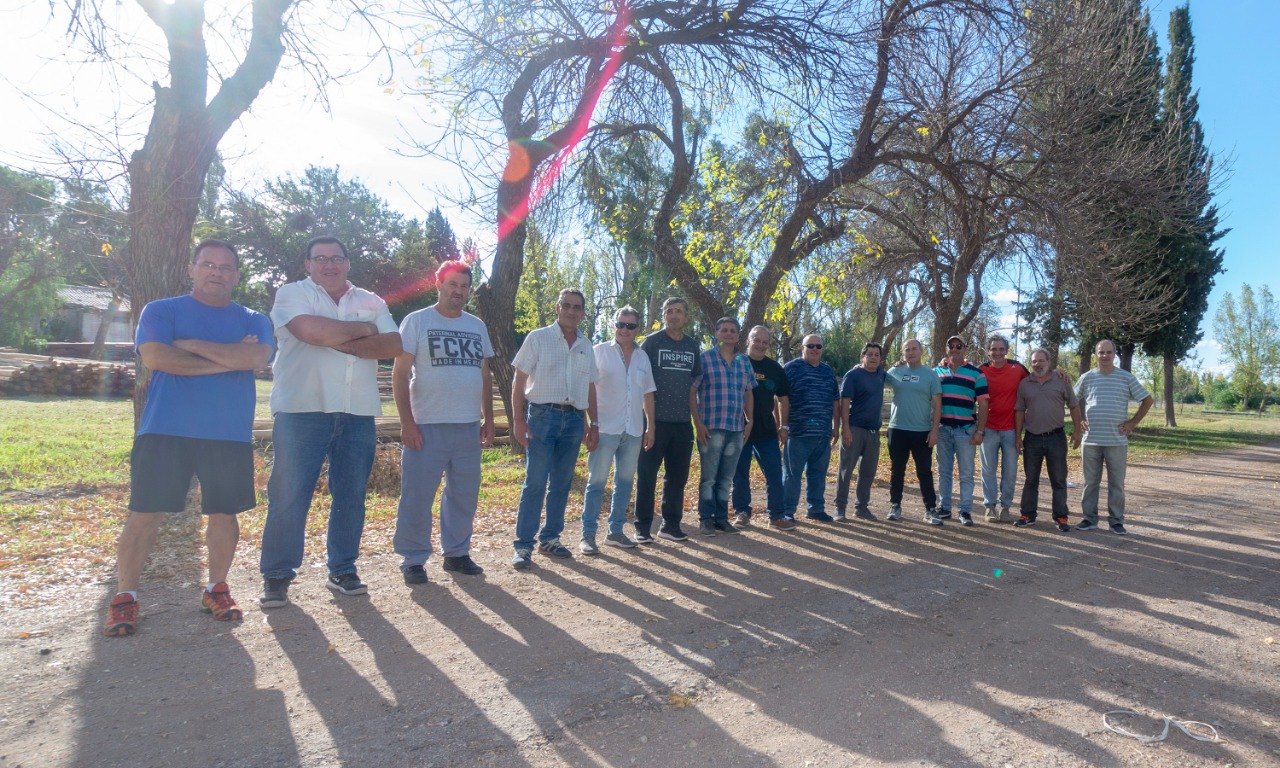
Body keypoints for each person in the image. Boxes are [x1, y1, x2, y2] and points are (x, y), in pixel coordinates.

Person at [104, 240, 275, 637]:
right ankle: (125, 597)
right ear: (191, 269)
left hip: (227, 432)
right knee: (145, 513)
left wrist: (190, 345)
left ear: (236, 275)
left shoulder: (253, 319)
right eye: (208, 264)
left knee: (224, 513)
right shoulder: (161, 310)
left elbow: (256, 358)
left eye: (226, 267)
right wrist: (228, 358)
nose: (217, 272)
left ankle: (216, 589)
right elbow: (157, 358)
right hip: (165, 428)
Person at [259, 236, 402, 607]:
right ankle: (277, 575)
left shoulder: (371, 300)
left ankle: (342, 569)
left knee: (351, 496)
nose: (329, 264)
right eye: (320, 258)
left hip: (358, 411)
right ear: (308, 264)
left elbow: (392, 346)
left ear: (348, 263)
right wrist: (366, 330)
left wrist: (337, 338)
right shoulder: (292, 294)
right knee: (290, 495)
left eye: (337, 258)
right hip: (301, 409)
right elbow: (310, 333)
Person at [392, 260, 495, 584]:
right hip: (426, 425)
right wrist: (407, 423)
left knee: (463, 495)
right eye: (453, 284)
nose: (459, 291)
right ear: (438, 284)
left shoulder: (477, 326)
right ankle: (413, 558)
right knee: (417, 496)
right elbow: (400, 373)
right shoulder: (417, 321)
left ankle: (457, 553)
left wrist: (488, 419)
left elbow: (485, 374)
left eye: (464, 286)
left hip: (467, 426)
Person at [509, 288, 599, 569]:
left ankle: (550, 538)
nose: (571, 311)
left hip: (574, 421)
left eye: (577, 307)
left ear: (583, 313)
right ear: (557, 308)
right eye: (566, 305)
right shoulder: (538, 338)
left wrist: (593, 424)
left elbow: (590, 386)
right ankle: (524, 545)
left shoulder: (586, 345)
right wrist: (518, 420)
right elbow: (519, 380)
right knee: (535, 482)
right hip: (542, 417)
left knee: (561, 483)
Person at [579, 306, 656, 553]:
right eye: (620, 324)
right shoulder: (599, 352)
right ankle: (587, 535)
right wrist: (589, 424)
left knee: (624, 483)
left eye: (630, 326)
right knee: (596, 483)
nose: (625, 329)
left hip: (633, 430)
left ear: (637, 329)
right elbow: (586, 388)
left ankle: (615, 532)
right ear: (614, 325)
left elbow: (648, 394)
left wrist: (650, 427)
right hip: (604, 428)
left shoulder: (642, 357)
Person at [634, 297, 703, 543]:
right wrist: (648, 424)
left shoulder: (692, 346)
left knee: (677, 477)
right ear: (663, 315)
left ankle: (670, 525)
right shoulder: (651, 343)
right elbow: (640, 382)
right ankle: (642, 527)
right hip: (653, 422)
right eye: (669, 311)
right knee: (647, 476)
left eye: (678, 311)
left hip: (682, 423)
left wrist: (697, 421)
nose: (673, 315)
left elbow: (694, 385)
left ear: (686, 317)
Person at [1073, 339, 1154, 535]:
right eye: (1101, 352)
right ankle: (1089, 519)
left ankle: (1116, 521)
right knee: (1090, 483)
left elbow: (1147, 400)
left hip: (1116, 440)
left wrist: (1132, 423)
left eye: (1109, 352)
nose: (1105, 356)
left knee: (1116, 484)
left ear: (1114, 354)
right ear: (1096, 355)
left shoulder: (1126, 378)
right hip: (1091, 440)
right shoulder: (1087, 377)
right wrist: (1079, 419)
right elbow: (1072, 400)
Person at [694, 317, 756, 536]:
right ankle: (705, 519)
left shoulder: (743, 361)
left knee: (726, 478)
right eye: (724, 330)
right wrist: (697, 423)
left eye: (732, 331)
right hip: (711, 427)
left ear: (738, 336)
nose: (728, 334)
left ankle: (721, 519)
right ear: (716, 333)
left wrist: (750, 421)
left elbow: (748, 393)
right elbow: (692, 391)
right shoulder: (704, 359)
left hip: (736, 428)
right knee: (709, 478)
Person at [1014, 348, 1084, 532]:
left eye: (1041, 361)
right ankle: (1027, 515)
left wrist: (1077, 431)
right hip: (1032, 439)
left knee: (1059, 480)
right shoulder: (1025, 384)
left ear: (1048, 362)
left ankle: (1061, 516)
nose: (1037, 364)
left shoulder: (1061, 380)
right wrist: (1018, 436)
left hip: (1056, 438)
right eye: (1034, 361)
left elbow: (1074, 406)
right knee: (1031, 480)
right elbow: (1019, 411)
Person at [730, 325, 790, 529]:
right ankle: (742, 512)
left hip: (767, 430)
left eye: (765, 342)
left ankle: (776, 516)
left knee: (774, 474)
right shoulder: (736, 362)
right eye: (757, 340)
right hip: (739, 429)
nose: (760, 345)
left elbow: (783, 399)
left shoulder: (774, 368)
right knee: (740, 474)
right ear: (749, 340)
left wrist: (784, 426)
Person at [782, 333, 840, 524]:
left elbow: (835, 400)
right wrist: (782, 425)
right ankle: (787, 511)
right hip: (797, 433)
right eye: (810, 346)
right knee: (792, 475)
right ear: (802, 348)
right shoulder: (790, 369)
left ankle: (815, 509)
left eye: (818, 346)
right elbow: (780, 399)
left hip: (822, 433)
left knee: (818, 474)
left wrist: (836, 426)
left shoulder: (827, 371)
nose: (815, 349)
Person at [933, 336, 989, 527]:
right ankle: (944, 507)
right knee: (944, 472)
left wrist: (980, 431)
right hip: (942, 430)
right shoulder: (936, 372)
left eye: (959, 346)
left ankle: (965, 510)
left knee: (966, 473)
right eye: (951, 345)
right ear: (946, 348)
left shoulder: (977, 374)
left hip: (966, 431)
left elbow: (983, 404)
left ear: (965, 349)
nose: (955, 349)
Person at [885, 338, 942, 523]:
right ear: (903, 353)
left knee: (924, 471)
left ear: (921, 351)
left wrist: (934, 430)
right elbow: (873, 377)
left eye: (914, 349)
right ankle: (895, 505)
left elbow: (937, 404)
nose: (910, 352)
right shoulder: (894, 371)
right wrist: (858, 367)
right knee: (897, 470)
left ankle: (930, 509)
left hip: (922, 431)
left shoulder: (930, 375)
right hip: (897, 429)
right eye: (907, 350)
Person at [978, 335, 1029, 522]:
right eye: (993, 349)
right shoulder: (981, 370)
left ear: (1007, 351)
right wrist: (945, 362)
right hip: (988, 428)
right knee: (988, 470)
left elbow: (1037, 379)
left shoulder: (1018, 369)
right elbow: (963, 377)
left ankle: (1005, 507)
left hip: (1011, 430)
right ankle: (990, 507)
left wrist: (1057, 374)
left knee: (1010, 472)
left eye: (1001, 349)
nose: (997, 353)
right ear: (988, 351)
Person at [835, 342, 887, 522]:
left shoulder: (881, 374)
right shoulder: (853, 375)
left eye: (876, 355)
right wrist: (845, 429)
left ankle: (861, 508)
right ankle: (840, 508)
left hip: (873, 432)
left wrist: (900, 363)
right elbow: (844, 403)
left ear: (880, 359)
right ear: (862, 357)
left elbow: (897, 370)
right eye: (869, 354)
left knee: (868, 472)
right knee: (845, 470)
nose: (873, 357)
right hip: (854, 429)